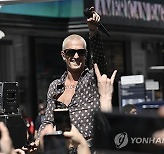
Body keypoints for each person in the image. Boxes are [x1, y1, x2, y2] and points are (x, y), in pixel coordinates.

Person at [35, 6, 117, 153]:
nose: (76, 56)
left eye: (81, 52)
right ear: (63, 55)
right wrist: (39, 139)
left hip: (90, 148)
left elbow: (99, 62)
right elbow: (48, 120)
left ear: (85, 55)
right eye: (71, 52)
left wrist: (93, 31)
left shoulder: (92, 79)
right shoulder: (55, 86)